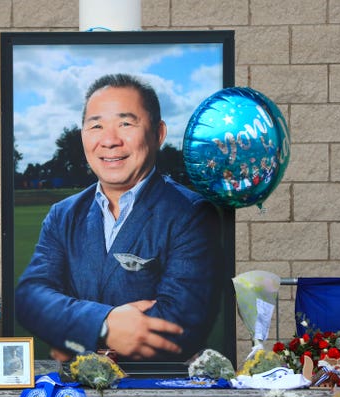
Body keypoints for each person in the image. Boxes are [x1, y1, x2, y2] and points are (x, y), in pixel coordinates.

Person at [15, 73, 223, 363]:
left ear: (158, 133)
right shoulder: (63, 214)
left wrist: (75, 342)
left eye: (126, 123)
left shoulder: (192, 214)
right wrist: (104, 325)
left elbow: (178, 327)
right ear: (83, 136)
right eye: (96, 126)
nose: (110, 141)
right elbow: (30, 298)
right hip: (74, 396)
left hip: (153, 394)